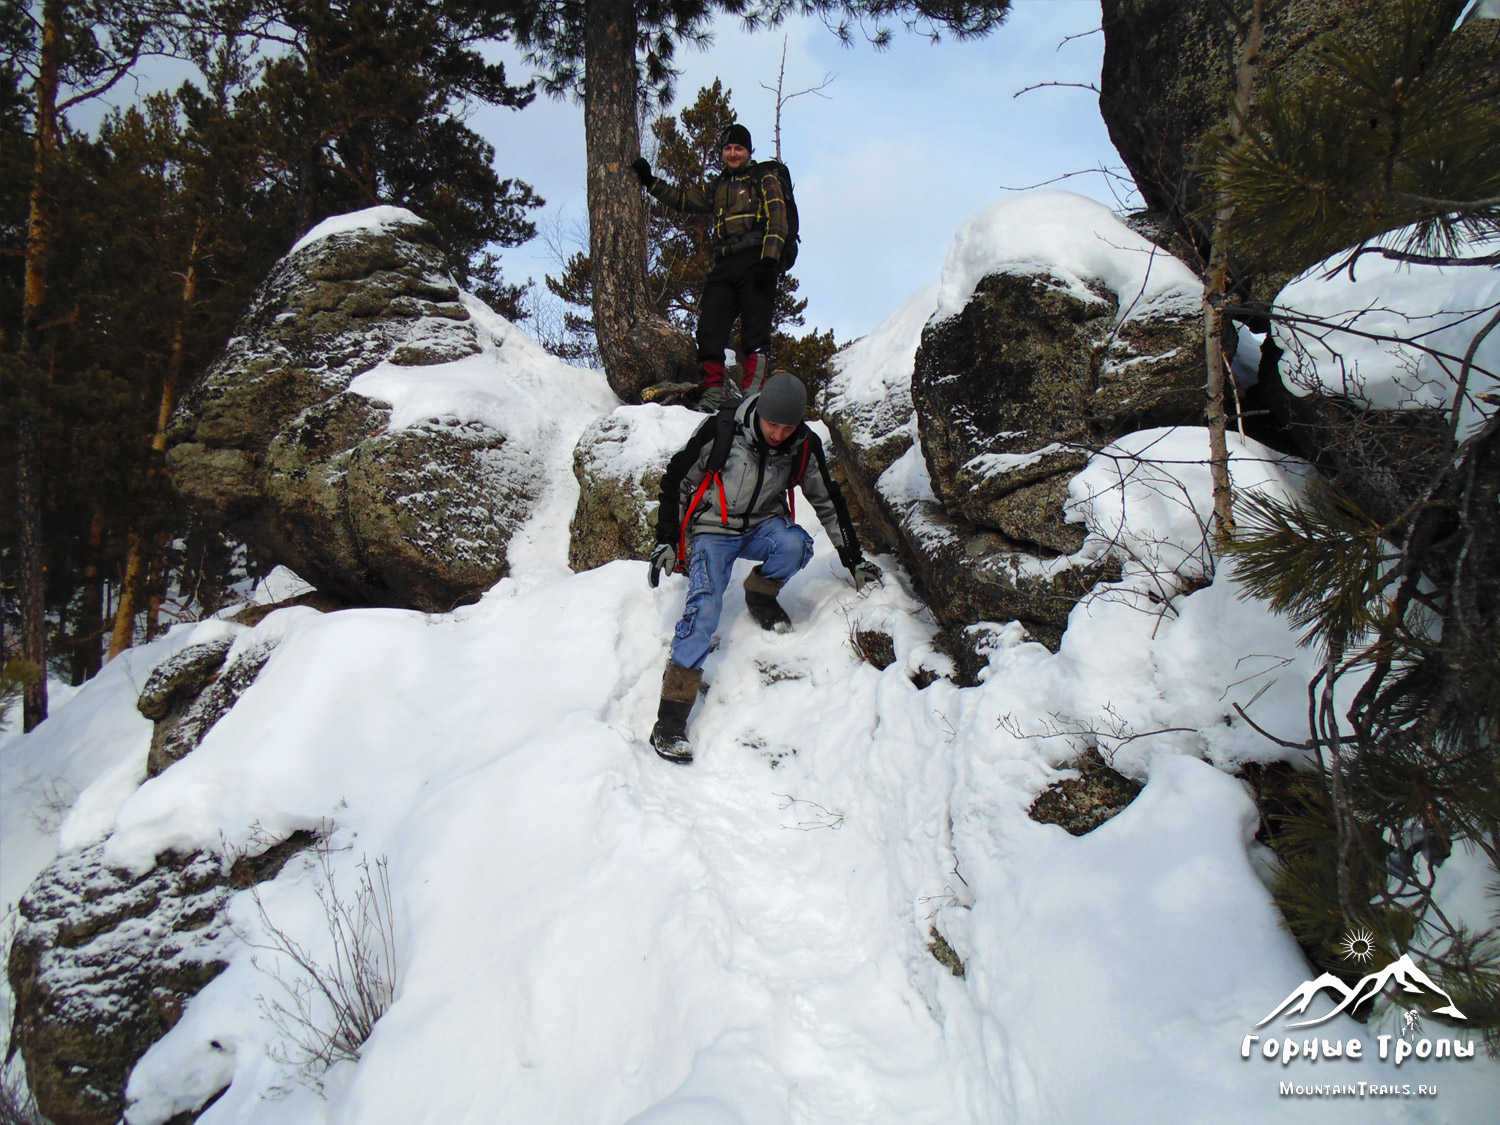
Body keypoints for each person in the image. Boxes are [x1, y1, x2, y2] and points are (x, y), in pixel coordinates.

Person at [645, 372, 884, 763]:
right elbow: (676, 479)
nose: (778, 434)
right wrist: (667, 540)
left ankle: (760, 595)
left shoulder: (803, 444)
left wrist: (852, 558)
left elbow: (828, 498)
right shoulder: (722, 429)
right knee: (704, 607)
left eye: (787, 426)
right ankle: (670, 721)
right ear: (760, 412)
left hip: (762, 526)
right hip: (712, 530)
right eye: (773, 424)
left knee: (795, 545)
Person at [631, 123, 788, 411]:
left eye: (738, 148)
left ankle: (752, 398)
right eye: (727, 148)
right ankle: (713, 393)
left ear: (748, 151)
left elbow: (779, 219)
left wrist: (770, 260)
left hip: (757, 261)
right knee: (709, 331)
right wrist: (650, 182)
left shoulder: (764, 178)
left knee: (756, 334)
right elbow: (682, 199)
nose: (732, 153)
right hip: (724, 264)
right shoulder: (718, 186)